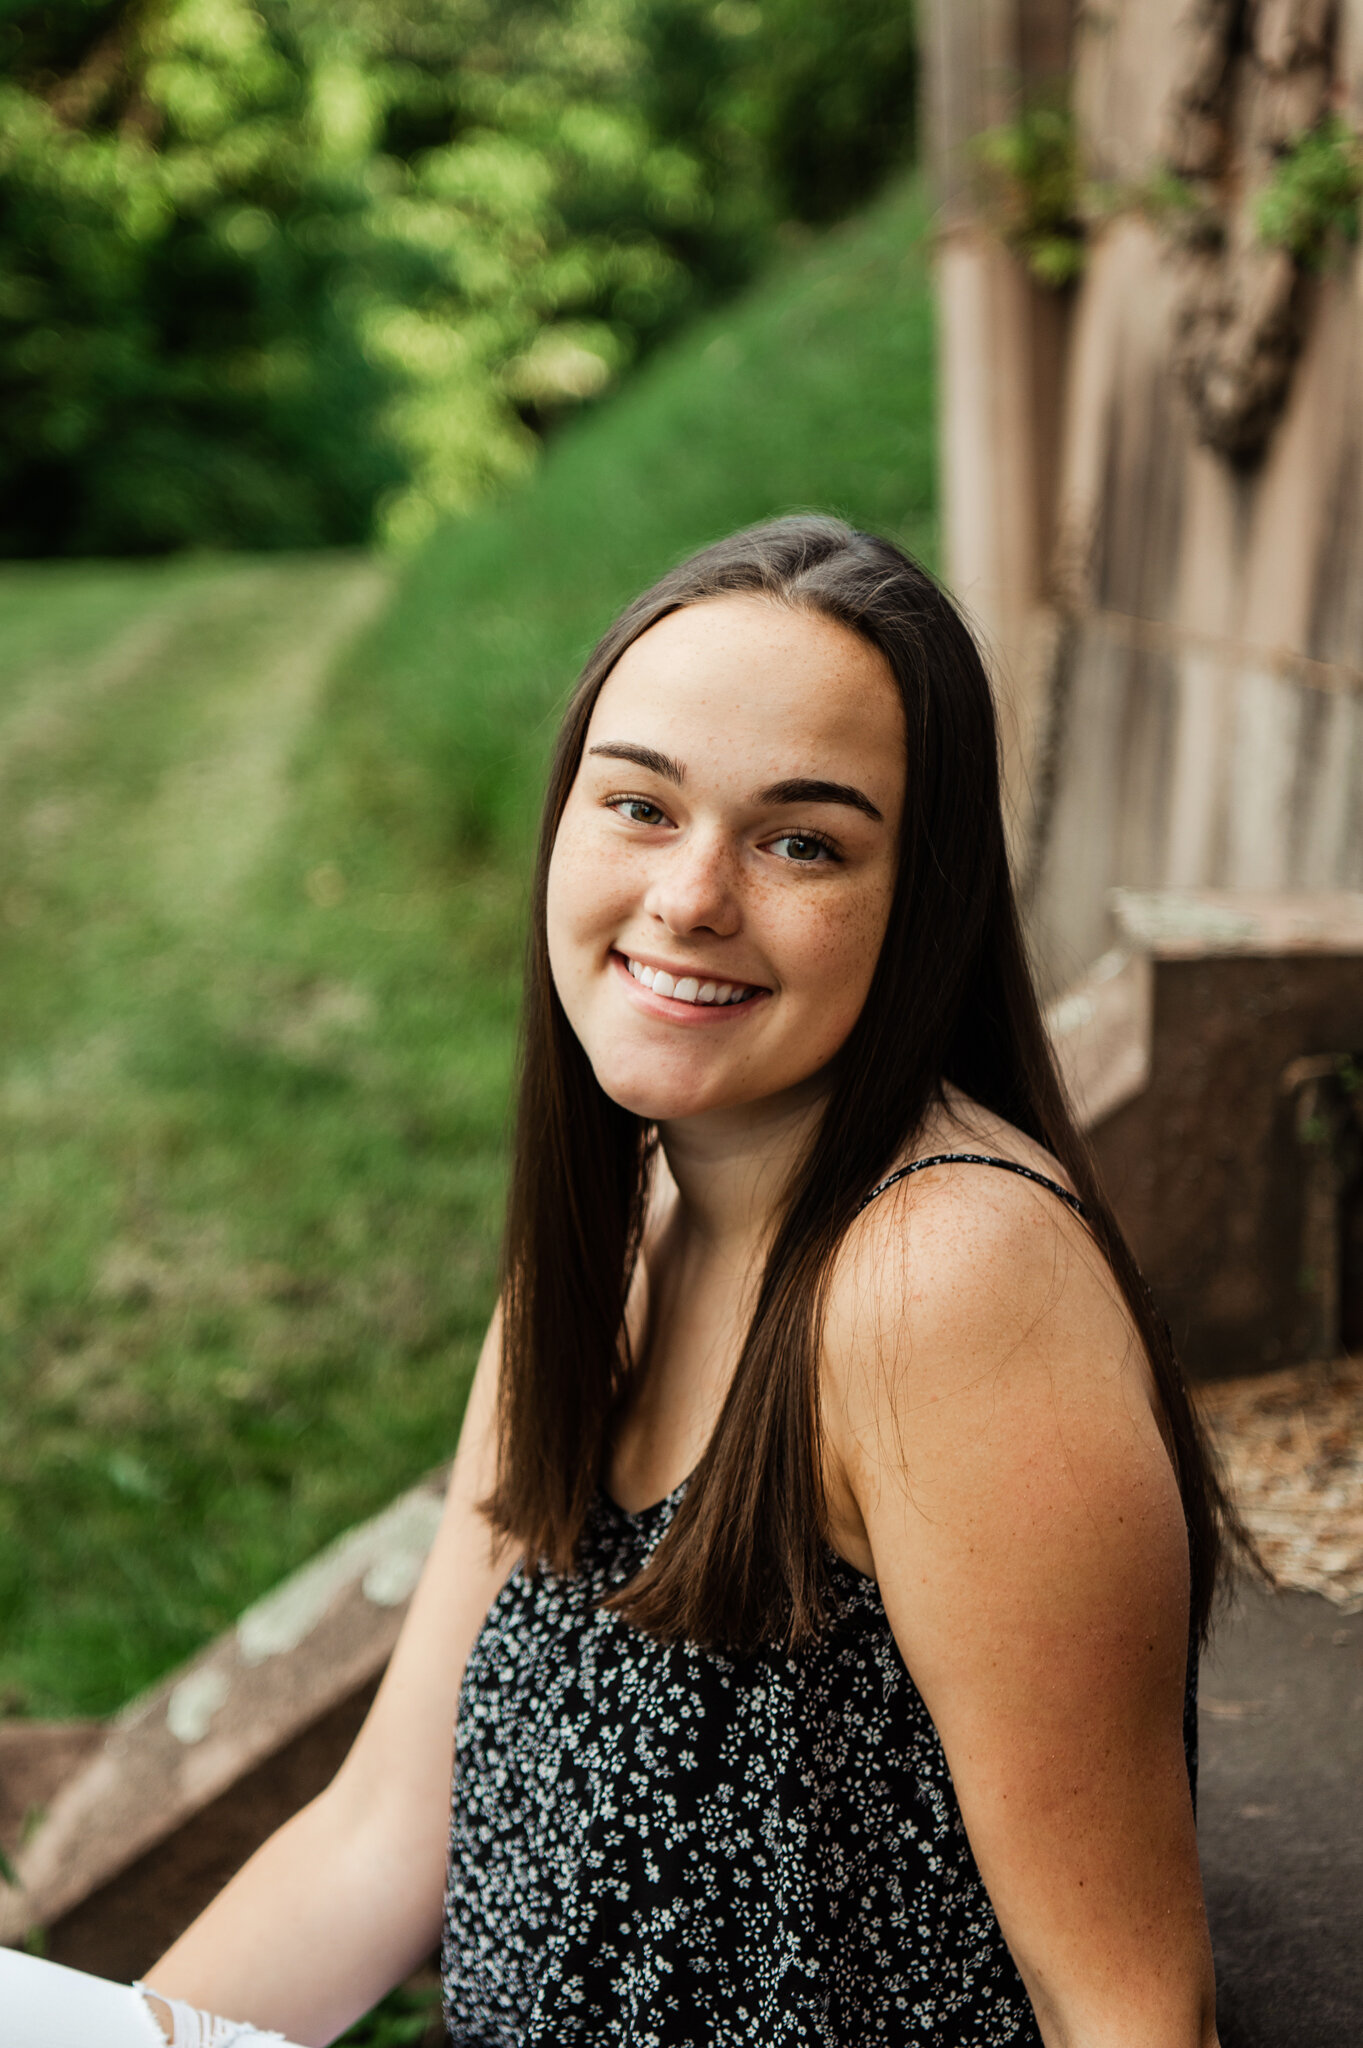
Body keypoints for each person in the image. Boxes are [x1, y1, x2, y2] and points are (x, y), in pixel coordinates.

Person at [83, 519, 1229, 2043]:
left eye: (802, 840)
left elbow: (1131, 2015)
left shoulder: (943, 1282)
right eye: (641, 805)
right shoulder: (616, 1234)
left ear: (924, 904)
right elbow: (378, 1843)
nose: (691, 895)